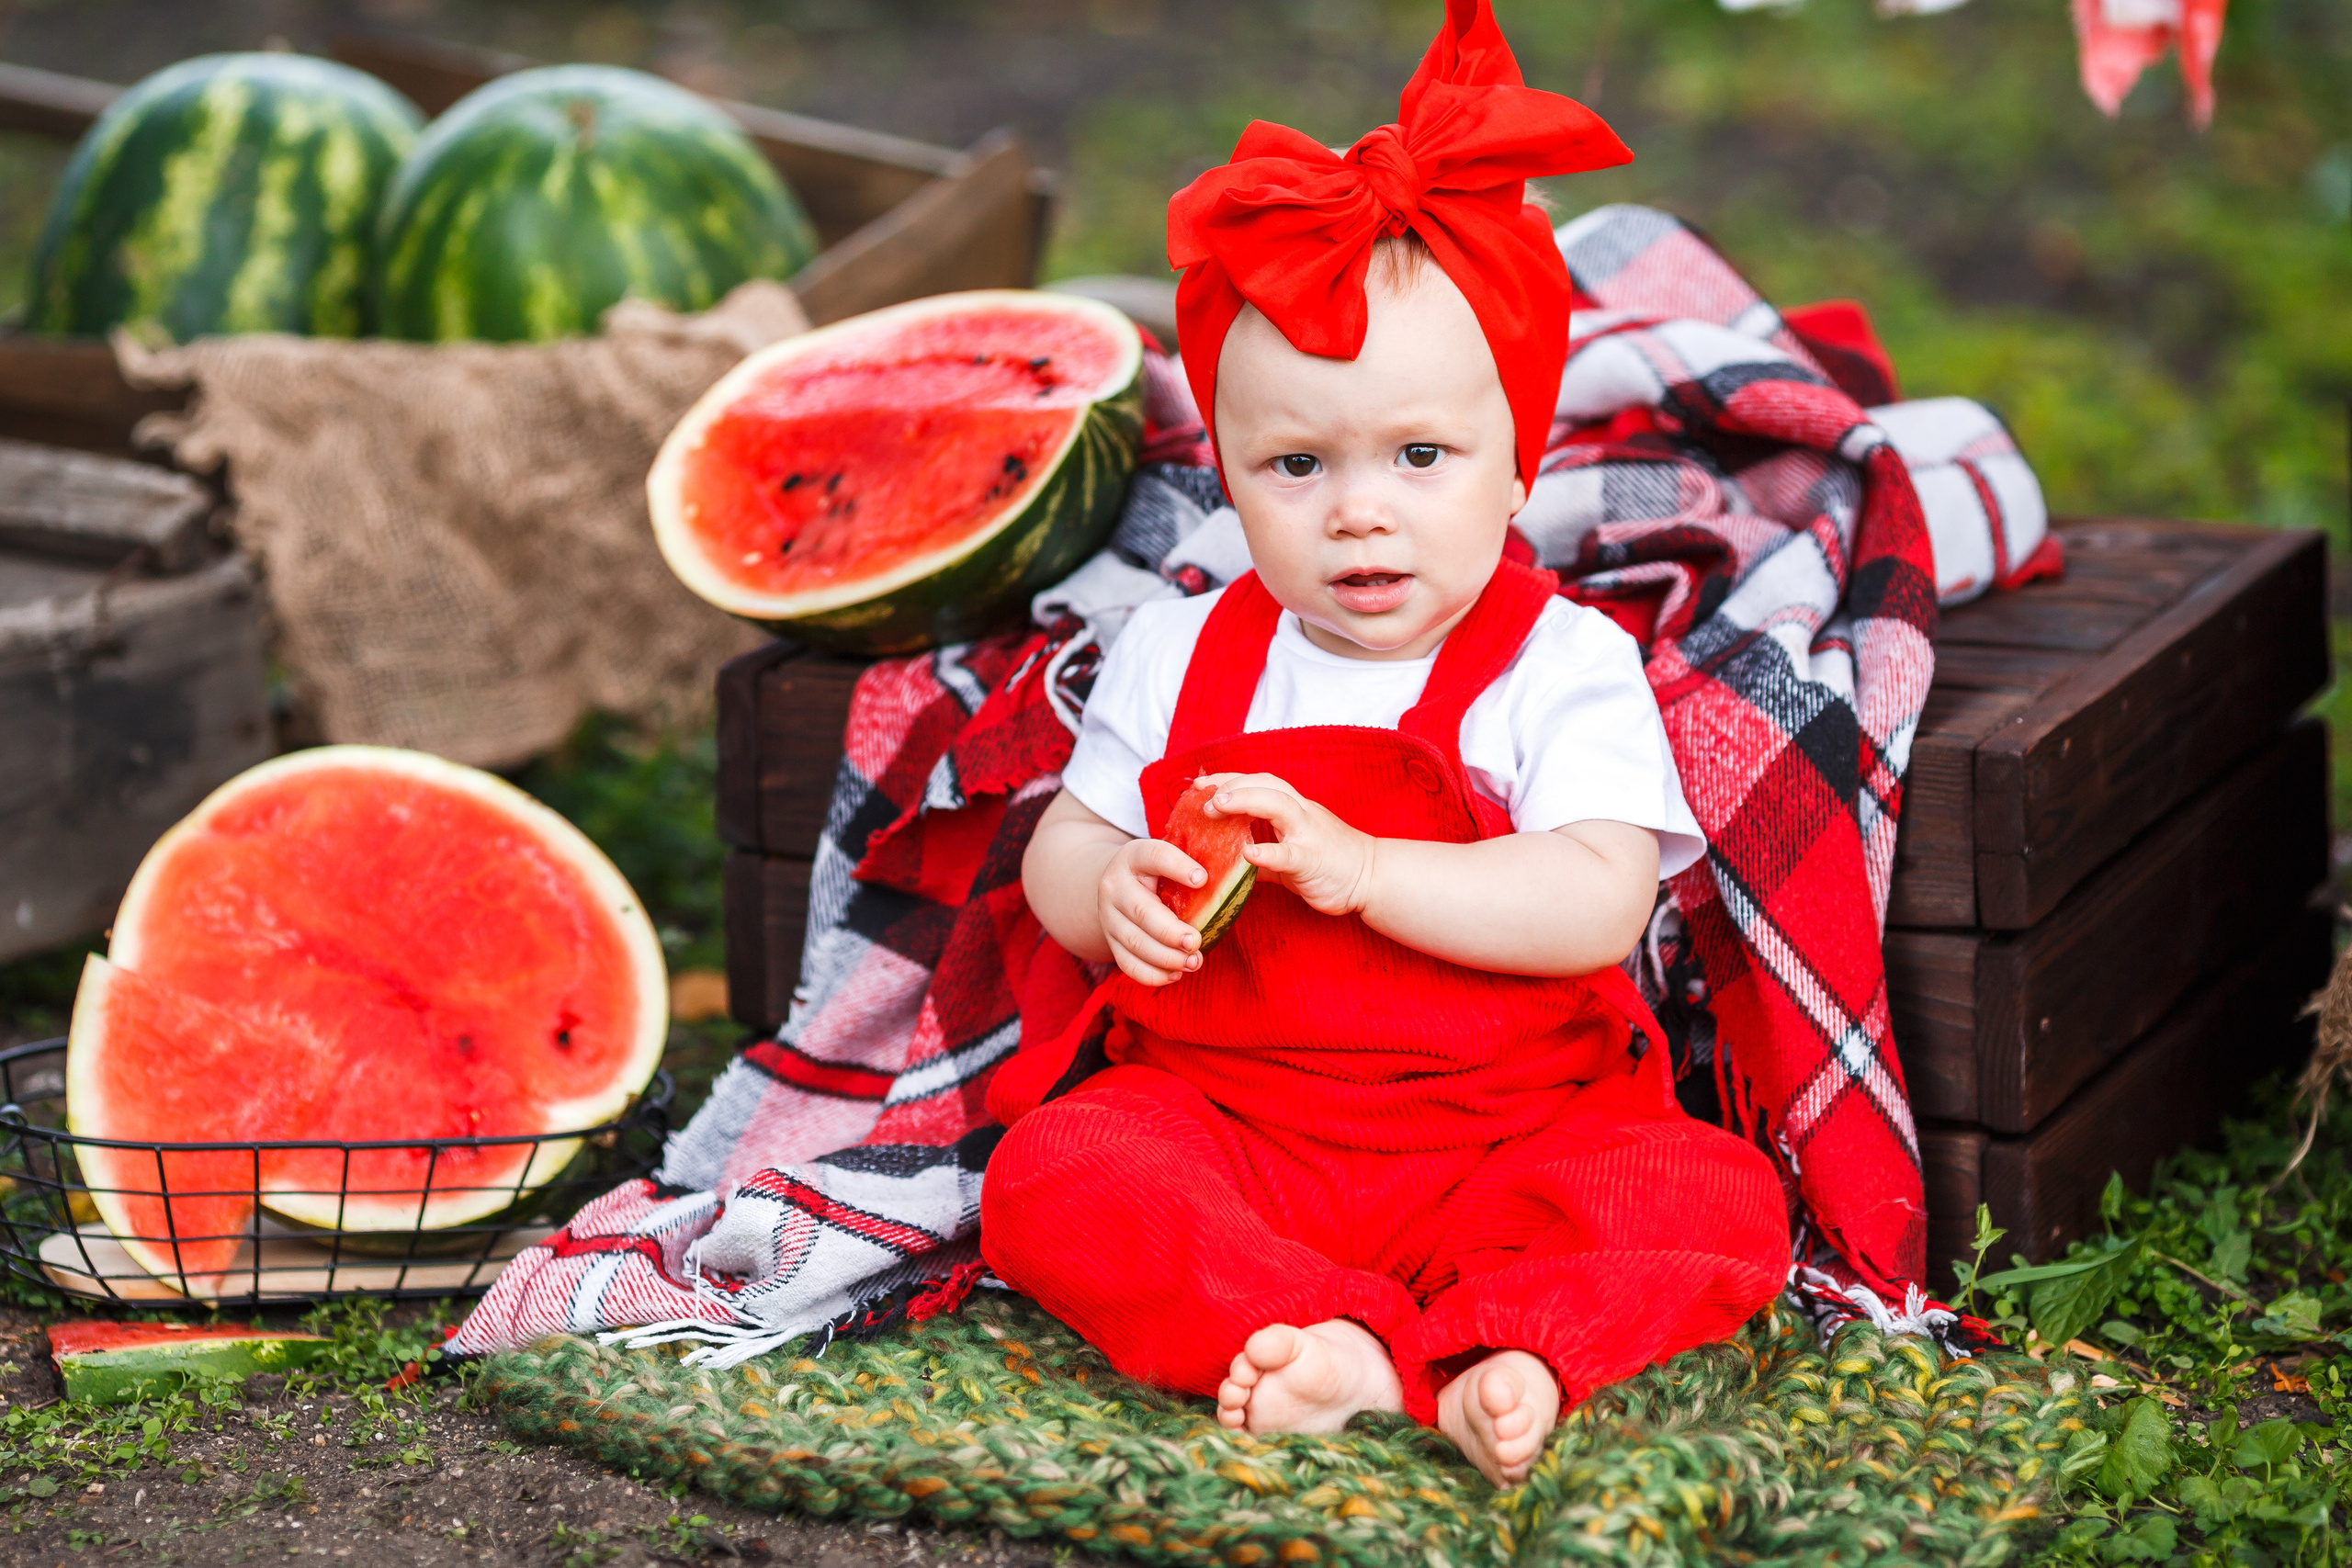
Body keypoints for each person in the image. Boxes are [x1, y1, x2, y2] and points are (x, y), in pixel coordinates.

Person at [978, 0, 1790, 1488]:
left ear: (1518, 456)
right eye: (1298, 464)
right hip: (1235, 1122)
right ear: (1226, 471)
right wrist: (1107, 895)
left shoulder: (1561, 662)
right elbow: (1065, 843)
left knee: (1705, 1192)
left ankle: (1514, 1343)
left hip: (1510, 1133)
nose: (1361, 509)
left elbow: (1597, 898)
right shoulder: (1181, 649)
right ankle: (1325, 1338)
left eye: (1420, 458)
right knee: (1057, 1178)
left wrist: (1365, 872)